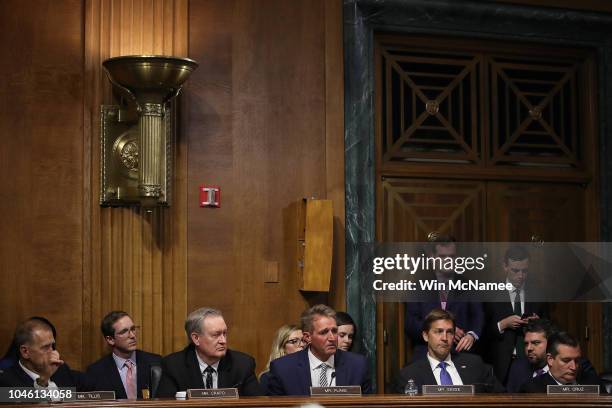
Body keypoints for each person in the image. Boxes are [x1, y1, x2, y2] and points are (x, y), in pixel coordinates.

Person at [405, 236, 484, 360]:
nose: (447, 260)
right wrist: (441, 330)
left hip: (460, 353)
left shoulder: (469, 285)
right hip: (426, 355)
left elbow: (479, 316)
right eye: (442, 257)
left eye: (451, 257)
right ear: (432, 257)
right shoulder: (418, 287)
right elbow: (410, 324)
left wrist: (472, 335)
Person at [156, 307, 264, 397]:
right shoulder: (174, 366)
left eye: (224, 333)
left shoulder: (242, 364)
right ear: (196, 338)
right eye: (216, 335)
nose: (223, 341)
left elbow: (257, 404)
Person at [267, 304, 371, 395]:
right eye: (324, 332)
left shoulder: (358, 365)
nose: (332, 338)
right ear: (307, 337)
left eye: (334, 331)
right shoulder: (283, 369)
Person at [394, 309, 502, 394]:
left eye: (449, 332)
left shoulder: (475, 364)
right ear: (426, 336)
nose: (445, 338)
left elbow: (502, 397)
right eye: (439, 332)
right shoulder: (408, 375)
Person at [483, 245, 547, 384]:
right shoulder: (490, 293)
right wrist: (502, 324)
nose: (520, 276)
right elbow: (481, 333)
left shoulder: (538, 293)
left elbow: (549, 328)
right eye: (515, 270)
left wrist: (538, 324)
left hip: (531, 363)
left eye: (525, 271)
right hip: (500, 364)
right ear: (505, 266)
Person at [506, 319, 598, 393]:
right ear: (550, 359)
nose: (529, 348)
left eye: (536, 343)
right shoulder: (519, 369)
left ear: (551, 343)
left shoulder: (585, 370)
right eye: (526, 344)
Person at [86, 311, 161, 399]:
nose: (133, 335)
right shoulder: (96, 372)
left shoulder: (156, 362)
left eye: (133, 329)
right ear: (110, 340)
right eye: (124, 331)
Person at [0, 318, 87, 390]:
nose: (52, 351)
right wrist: (44, 379)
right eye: (45, 347)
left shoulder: (61, 370)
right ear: (25, 352)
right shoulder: (5, 381)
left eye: (52, 345)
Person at [519, 331, 606, 393]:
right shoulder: (531, 390)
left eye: (576, 360)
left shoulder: (594, 383)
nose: (574, 367)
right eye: (566, 360)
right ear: (550, 360)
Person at [258, 325, 304, 391]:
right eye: (294, 341)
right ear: (282, 347)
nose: (302, 344)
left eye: (304, 340)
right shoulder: (269, 377)